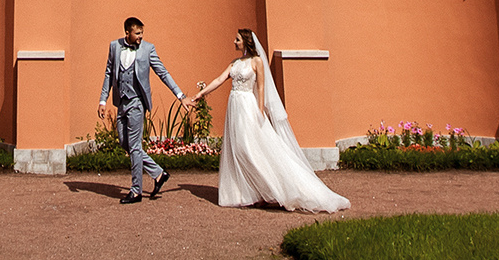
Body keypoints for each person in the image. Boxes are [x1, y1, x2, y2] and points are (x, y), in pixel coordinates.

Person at [189, 28, 350, 212]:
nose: (234, 42)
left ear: (246, 42)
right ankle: (250, 192)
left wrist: (259, 111)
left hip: (248, 108)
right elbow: (219, 79)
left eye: (237, 39)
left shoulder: (257, 62)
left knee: (251, 149)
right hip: (235, 108)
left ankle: (273, 189)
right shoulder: (235, 63)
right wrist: (201, 93)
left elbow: (261, 88)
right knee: (238, 149)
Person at [98, 16, 182, 204]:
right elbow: (109, 73)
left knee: (135, 147)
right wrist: (103, 100)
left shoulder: (148, 49)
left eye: (142, 33)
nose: (140, 37)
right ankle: (158, 173)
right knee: (123, 142)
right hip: (121, 102)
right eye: (137, 33)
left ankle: (136, 191)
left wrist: (180, 95)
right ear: (127, 32)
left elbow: (163, 72)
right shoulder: (114, 46)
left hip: (137, 103)